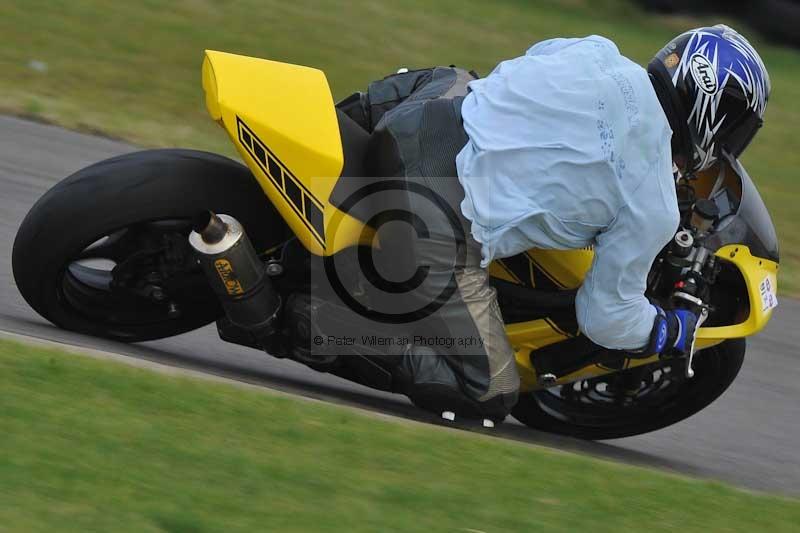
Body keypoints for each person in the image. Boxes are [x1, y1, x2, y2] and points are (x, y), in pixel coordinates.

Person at [336, 24, 770, 422]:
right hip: (431, 203)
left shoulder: (600, 52)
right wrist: (668, 329)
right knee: (489, 393)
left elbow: (536, 61)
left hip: (429, 107)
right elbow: (605, 318)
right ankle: (319, 325)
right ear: (715, 116)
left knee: (461, 77)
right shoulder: (651, 203)